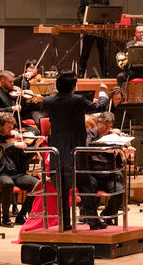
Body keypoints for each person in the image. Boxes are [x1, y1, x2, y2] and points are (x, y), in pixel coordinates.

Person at [42, 71, 108, 229]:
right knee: (85, 184)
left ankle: (65, 223)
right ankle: (93, 221)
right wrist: (103, 93)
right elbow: (100, 107)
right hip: (75, 149)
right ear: (73, 86)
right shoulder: (77, 100)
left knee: (62, 188)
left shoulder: (48, 101)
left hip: (57, 150)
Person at [80, 112, 131, 229]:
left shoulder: (113, 137)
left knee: (120, 190)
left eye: (109, 126)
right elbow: (86, 148)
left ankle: (106, 214)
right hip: (92, 174)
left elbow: (119, 160)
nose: (107, 128)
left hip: (109, 175)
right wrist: (103, 147)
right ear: (98, 123)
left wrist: (125, 151)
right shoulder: (89, 134)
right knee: (89, 188)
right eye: (104, 125)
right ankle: (93, 219)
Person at [77, 0, 110, 78]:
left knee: (103, 52)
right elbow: (79, 12)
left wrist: (108, 21)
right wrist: (83, 22)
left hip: (101, 29)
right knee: (85, 51)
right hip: (90, 29)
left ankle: (105, 73)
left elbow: (108, 12)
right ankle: (81, 71)